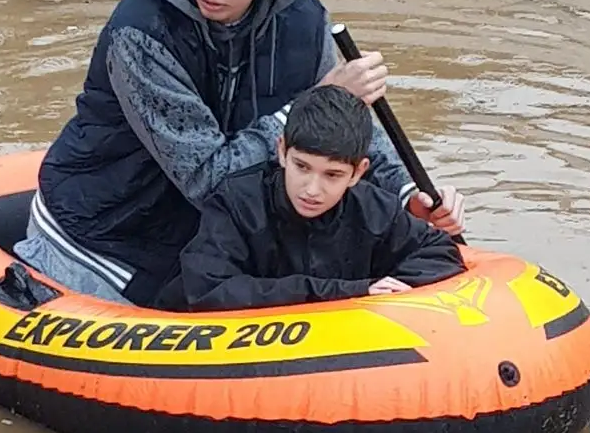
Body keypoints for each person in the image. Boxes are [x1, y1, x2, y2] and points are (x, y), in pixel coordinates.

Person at [16, 0, 464, 305]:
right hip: (106, 232)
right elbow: (208, 179)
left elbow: (339, 125)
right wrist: (316, 100)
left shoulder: (304, 22)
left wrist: (407, 195)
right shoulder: (141, 33)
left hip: (217, 235)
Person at [164, 86, 465, 311]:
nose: (311, 189)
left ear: (358, 172)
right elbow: (208, 289)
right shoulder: (236, 203)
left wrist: (392, 292)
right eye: (302, 166)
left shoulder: (374, 208)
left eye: (332, 175)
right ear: (282, 151)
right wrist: (350, 292)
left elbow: (440, 253)